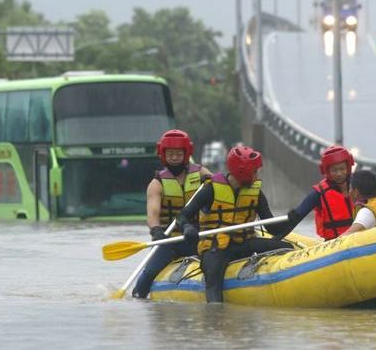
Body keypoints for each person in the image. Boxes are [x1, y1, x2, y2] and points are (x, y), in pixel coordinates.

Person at [177, 145, 293, 303]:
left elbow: (271, 228)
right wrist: (187, 227)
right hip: (215, 247)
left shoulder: (256, 193)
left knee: (287, 248)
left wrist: (290, 219)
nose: (257, 175)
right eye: (254, 171)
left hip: (245, 243)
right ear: (242, 171)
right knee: (214, 281)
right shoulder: (210, 190)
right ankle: (216, 315)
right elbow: (182, 215)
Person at [132, 129, 212, 299]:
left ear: (186, 154)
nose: (174, 157)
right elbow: (153, 213)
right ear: (163, 154)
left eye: (178, 153)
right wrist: (156, 231)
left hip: (199, 237)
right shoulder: (157, 183)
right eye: (170, 154)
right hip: (172, 240)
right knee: (149, 273)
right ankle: (138, 297)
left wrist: (212, 183)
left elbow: (220, 185)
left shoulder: (201, 173)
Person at [282, 145, 355, 240]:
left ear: (348, 168)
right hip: (334, 243)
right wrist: (275, 240)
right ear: (327, 172)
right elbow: (297, 216)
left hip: (358, 239)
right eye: (334, 170)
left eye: (342, 169)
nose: (339, 174)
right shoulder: (319, 193)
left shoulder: (359, 186)